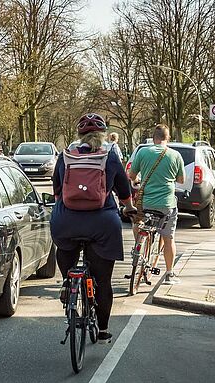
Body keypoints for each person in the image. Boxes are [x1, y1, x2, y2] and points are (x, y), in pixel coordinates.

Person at [50, 113, 136, 344]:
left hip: (66, 221)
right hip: (102, 224)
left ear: (79, 136)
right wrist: (129, 208)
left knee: (65, 248)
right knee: (103, 282)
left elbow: (57, 191)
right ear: (103, 135)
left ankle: (68, 283)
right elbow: (124, 191)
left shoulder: (65, 157)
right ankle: (103, 329)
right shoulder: (109, 158)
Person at [127, 124, 184, 285]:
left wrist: (138, 180)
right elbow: (181, 180)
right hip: (166, 203)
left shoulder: (143, 151)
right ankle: (169, 274)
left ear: (154, 138)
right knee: (168, 237)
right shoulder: (175, 155)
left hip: (145, 202)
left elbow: (131, 175)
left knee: (137, 221)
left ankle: (138, 248)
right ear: (168, 138)